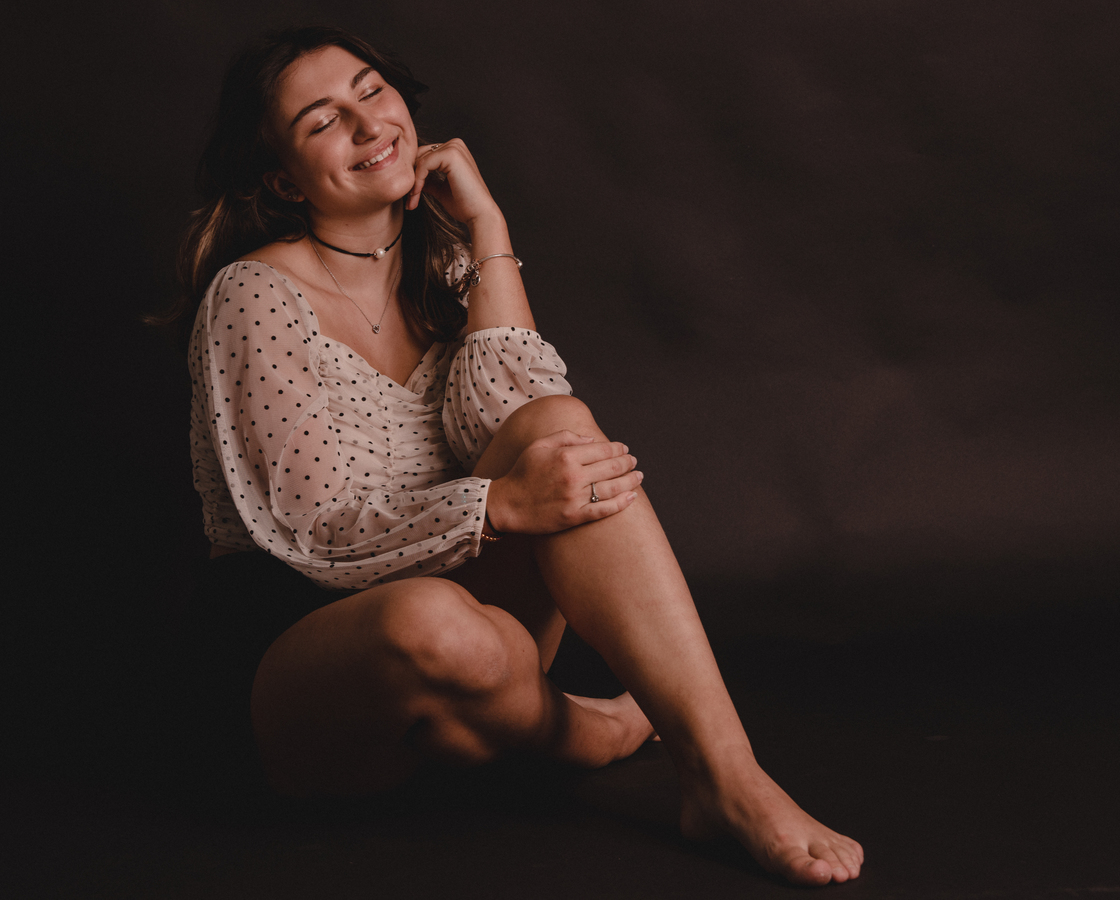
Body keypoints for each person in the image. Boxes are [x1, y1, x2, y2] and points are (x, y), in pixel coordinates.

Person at [173, 24, 863, 886]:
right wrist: (496, 505)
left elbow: (522, 417)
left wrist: (488, 228)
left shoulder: (444, 266)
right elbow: (310, 532)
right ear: (282, 177)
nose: (366, 123)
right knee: (428, 623)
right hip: (306, 669)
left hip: (472, 656)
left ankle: (727, 775)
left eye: (371, 90)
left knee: (556, 427)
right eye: (322, 121)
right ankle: (590, 731)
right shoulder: (254, 294)